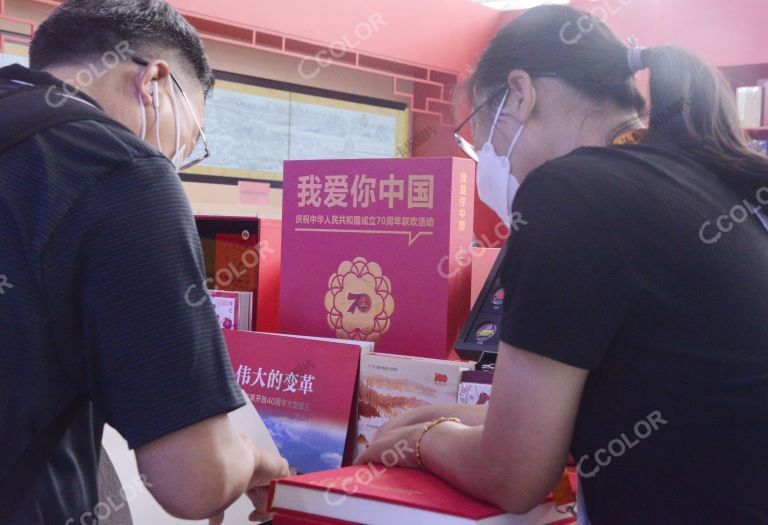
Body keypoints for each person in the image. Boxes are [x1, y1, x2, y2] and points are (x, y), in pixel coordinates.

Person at [359, 5, 768, 524]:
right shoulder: (704, 182)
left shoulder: (570, 192)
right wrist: (462, 419)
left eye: (478, 133)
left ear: (521, 93)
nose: (482, 156)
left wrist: (423, 440)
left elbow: (511, 476)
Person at [0, 1, 288, 523]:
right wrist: (255, 461)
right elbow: (193, 481)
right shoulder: (121, 169)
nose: (179, 158)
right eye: (192, 138)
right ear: (155, 82)